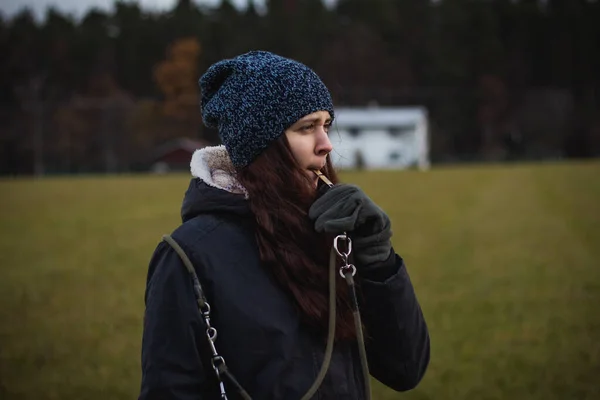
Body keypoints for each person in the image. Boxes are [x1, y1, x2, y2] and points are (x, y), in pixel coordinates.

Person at [139, 51, 430, 400]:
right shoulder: (188, 257)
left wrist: (377, 258)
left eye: (326, 125)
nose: (326, 145)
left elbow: (405, 368)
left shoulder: (330, 231)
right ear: (260, 145)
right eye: (306, 128)